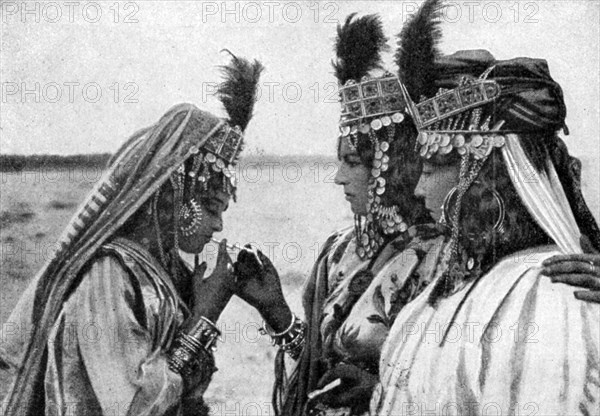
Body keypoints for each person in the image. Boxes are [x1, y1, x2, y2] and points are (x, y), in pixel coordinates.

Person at [0, 54, 263, 415]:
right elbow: (135, 405)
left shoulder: (163, 274)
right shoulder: (109, 276)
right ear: (178, 195)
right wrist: (203, 317)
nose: (219, 227)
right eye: (214, 210)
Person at [370, 1, 600, 413]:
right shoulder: (435, 296)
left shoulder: (550, 292)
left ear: (485, 172)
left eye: (438, 164)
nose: (419, 189)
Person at [233, 14, 444, 416]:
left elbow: (453, 381)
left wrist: (380, 388)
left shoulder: (445, 257)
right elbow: (316, 374)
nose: (338, 178)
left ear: (387, 166)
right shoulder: (340, 250)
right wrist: (276, 311)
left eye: (351, 162)